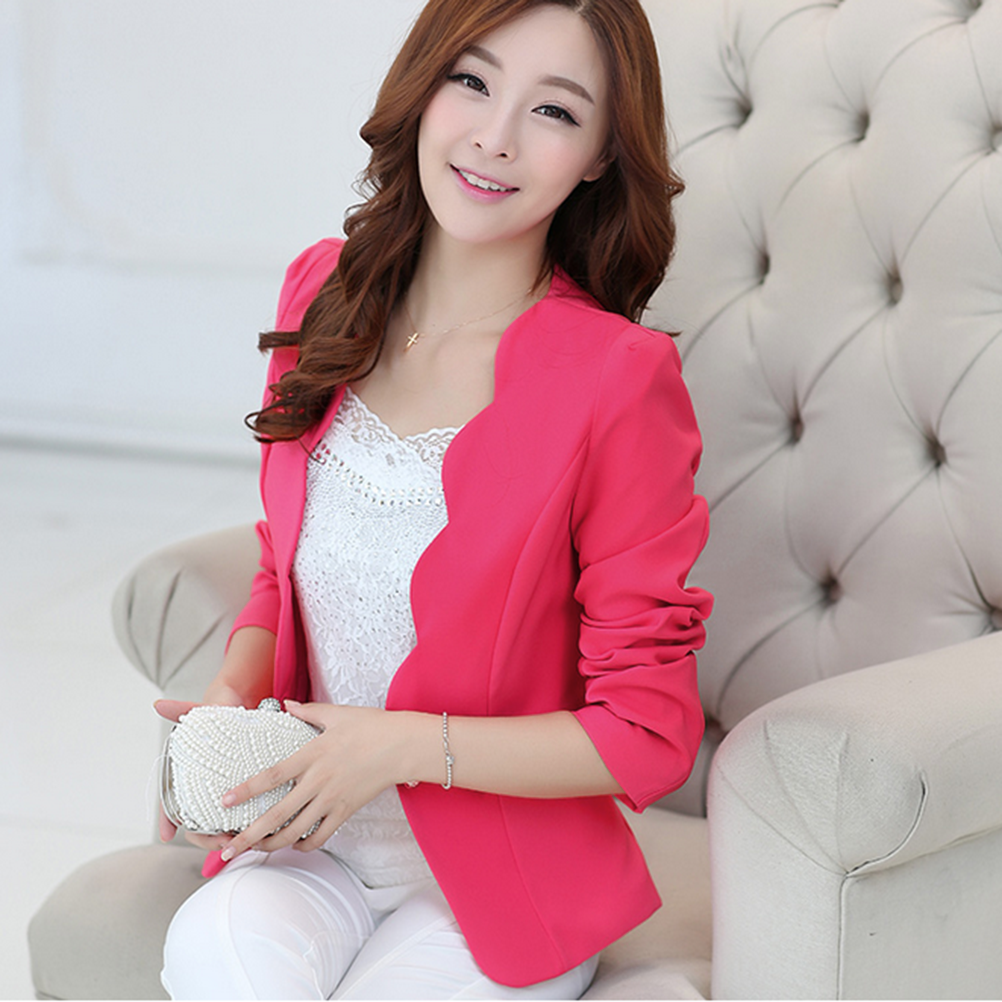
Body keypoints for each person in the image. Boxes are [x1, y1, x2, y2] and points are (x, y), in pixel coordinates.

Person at [155, 0, 712, 997]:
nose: (495, 137)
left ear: (598, 155)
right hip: (306, 838)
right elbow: (285, 568)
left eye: (554, 110)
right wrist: (234, 697)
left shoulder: (618, 380)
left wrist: (399, 749)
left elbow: (647, 730)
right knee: (216, 957)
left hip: (505, 879)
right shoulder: (322, 294)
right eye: (473, 81)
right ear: (424, 85)